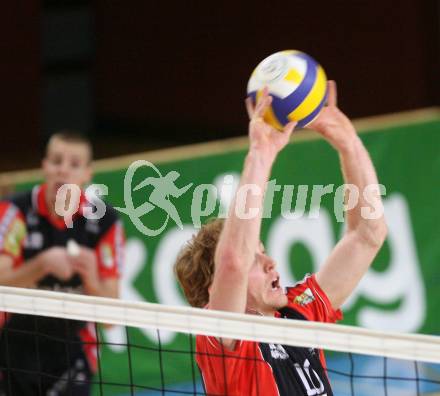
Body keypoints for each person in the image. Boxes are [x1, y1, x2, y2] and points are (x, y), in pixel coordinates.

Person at [175, 82, 387, 395]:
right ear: (214, 289)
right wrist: (261, 152)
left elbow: (368, 234)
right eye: (255, 258)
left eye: (263, 252)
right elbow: (233, 261)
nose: (271, 262)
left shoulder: (299, 311)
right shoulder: (220, 336)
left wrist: (348, 143)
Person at [0, 131, 125, 395]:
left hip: (72, 351)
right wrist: (42, 265)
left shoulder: (105, 222)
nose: (63, 171)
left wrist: (91, 276)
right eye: (56, 161)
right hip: (13, 346)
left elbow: (112, 318)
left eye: (74, 164)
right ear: (45, 165)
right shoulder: (15, 211)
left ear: (87, 173)